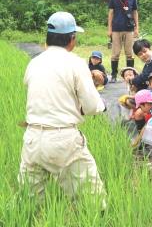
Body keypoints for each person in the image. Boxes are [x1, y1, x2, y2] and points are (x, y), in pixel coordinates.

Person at [19, 11, 106, 206]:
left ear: (48, 38)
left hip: (32, 139)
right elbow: (92, 107)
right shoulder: (75, 62)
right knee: (92, 202)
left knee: (29, 205)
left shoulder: (35, 62)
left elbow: (49, 91)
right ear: (72, 38)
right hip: (62, 139)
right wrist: (101, 100)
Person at [108, 0, 139, 82]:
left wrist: (136, 28)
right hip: (116, 28)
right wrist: (109, 29)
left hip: (129, 28)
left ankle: (130, 75)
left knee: (129, 53)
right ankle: (113, 75)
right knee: (115, 53)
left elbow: (135, 12)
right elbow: (111, 13)